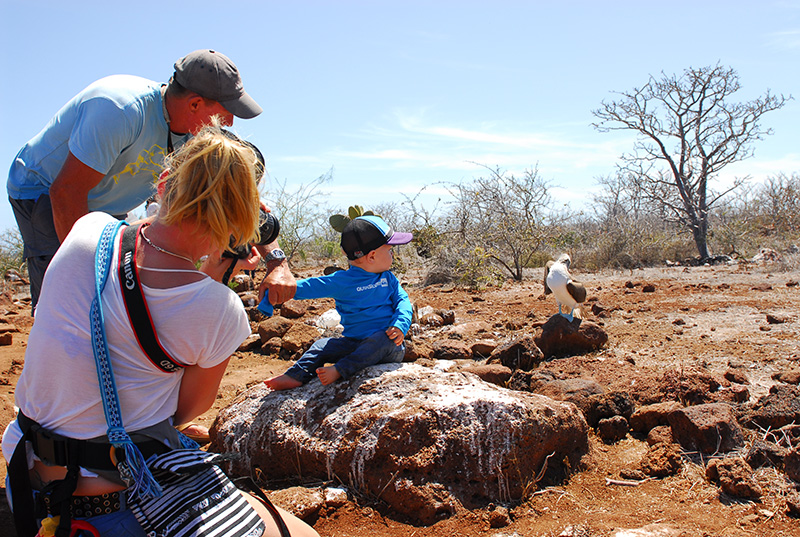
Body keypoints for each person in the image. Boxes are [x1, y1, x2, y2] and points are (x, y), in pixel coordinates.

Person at [2, 125, 318, 537]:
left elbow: (140, 264)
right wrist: (220, 265)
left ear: (164, 182)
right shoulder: (217, 308)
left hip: (26, 478)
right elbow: (184, 411)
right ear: (244, 223)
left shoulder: (88, 230)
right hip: (109, 503)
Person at [7, 48, 293, 312]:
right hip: (45, 191)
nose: (230, 122)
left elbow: (241, 198)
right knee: (72, 296)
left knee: (117, 296)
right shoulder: (119, 110)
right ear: (195, 103)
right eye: (226, 111)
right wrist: (88, 272)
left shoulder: (199, 133)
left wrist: (277, 262)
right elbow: (65, 191)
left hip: (108, 200)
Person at [266, 215, 414, 390]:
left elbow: (403, 302)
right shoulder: (342, 281)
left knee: (379, 339)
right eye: (390, 250)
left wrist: (400, 325)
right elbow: (311, 286)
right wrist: (279, 290)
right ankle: (296, 375)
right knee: (321, 345)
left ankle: (341, 369)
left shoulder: (388, 279)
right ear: (372, 256)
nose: (393, 254)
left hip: (389, 345)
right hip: (354, 343)